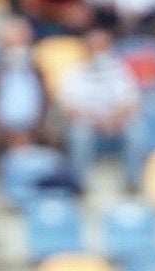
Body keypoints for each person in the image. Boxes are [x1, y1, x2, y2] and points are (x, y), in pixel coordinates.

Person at [58, 28, 145, 188]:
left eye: (102, 46)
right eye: (94, 46)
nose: (98, 50)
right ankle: (79, 184)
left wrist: (114, 119)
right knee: (79, 133)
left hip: (116, 121)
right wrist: (98, 120)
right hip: (88, 121)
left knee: (137, 131)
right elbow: (69, 108)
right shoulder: (74, 72)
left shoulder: (120, 69)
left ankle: (132, 182)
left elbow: (131, 102)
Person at [0, 17, 48, 168]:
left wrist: (32, 132)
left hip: (34, 130)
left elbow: (44, 103)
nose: (17, 47)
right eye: (12, 42)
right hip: (3, 131)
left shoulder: (36, 70)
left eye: (22, 41)